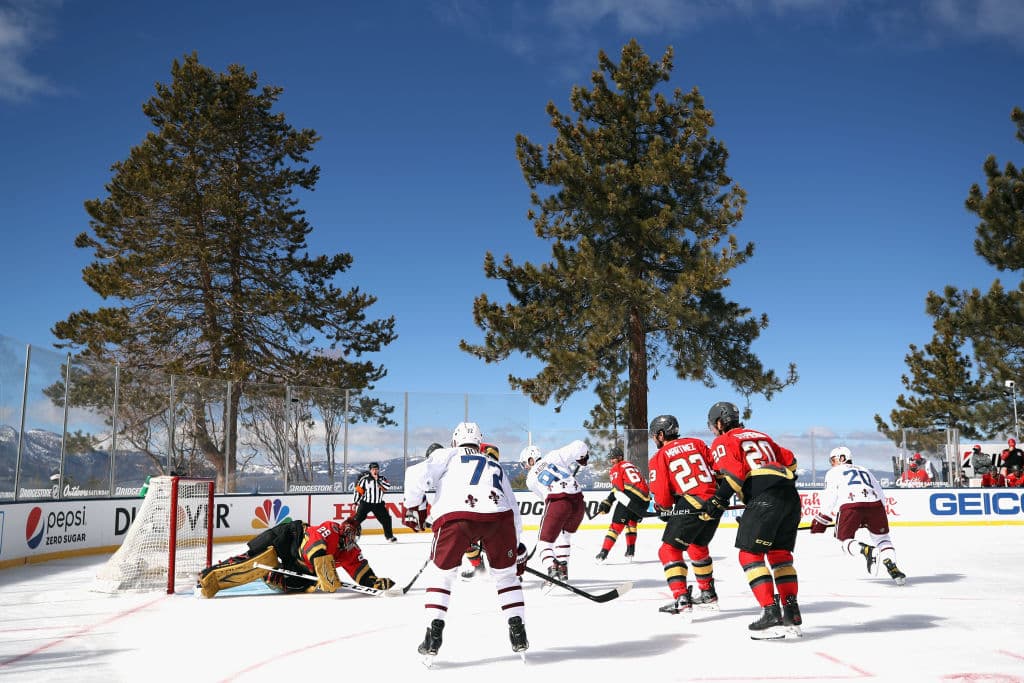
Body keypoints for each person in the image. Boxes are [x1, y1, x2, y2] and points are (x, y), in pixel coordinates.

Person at [402, 422, 528, 661]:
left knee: (441, 575)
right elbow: (513, 506)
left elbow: (413, 474)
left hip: (457, 517)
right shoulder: (493, 462)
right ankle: (518, 631)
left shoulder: (446, 454)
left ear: (454, 440)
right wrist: (517, 543)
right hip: (499, 518)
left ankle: (433, 634)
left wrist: (412, 507)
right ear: (479, 441)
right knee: (506, 577)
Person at [704, 401, 803, 639]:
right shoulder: (762, 435)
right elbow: (791, 462)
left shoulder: (723, 440)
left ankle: (770, 614)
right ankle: (791, 612)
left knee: (749, 555)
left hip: (763, 498)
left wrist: (716, 503)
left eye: (713, 426)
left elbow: (735, 474)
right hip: (789, 495)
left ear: (719, 422)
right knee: (780, 556)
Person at [195, 517, 394, 598]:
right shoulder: (332, 528)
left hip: (299, 565)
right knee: (252, 557)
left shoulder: (351, 552)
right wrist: (324, 567)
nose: (351, 538)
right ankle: (209, 574)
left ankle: (273, 577)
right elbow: (312, 546)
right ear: (343, 529)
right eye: (349, 532)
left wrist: (374, 582)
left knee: (306, 585)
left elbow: (360, 570)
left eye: (354, 535)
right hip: (290, 538)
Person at [646, 415, 723, 619]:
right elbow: (719, 468)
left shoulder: (660, 456)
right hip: (714, 503)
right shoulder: (697, 443)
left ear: (661, 435)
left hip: (691, 503)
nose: (654, 440)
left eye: (654, 436)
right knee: (697, 546)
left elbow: (662, 494)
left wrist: (662, 507)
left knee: (668, 550)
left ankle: (681, 598)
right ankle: (707, 594)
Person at [811, 447, 907, 585]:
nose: (832, 463)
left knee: (844, 540)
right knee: (882, 539)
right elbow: (879, 492)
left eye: (833, 460)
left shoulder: (833, 472)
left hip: (851, 506)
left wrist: (821, 520)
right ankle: (893, 567)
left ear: (842, 458)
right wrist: (875, 512)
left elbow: (829, 497)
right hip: (875, 505)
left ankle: (865, 550)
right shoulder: (864, 469)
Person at [522, 438, 590, 588]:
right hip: (578, 500)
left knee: (543, 543)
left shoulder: (530, 480)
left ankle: (552, 568)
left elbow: (546, 498)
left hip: (557, 501)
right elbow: (579, 445)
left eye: (526, 463)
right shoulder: (554, 456)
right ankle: (563, 569)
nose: (526, 467)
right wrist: (583, 458)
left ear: (531, 459)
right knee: (565, 536)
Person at [595, 444, 650, 564]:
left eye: (613, 458)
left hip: (631, 498)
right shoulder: (632, 466)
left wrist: (608, 502)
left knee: (615, 526)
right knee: (631, 523)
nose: (611, 460)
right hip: (645, 499)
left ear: (619, 457)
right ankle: (630, 551)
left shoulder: (617, 467)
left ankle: (603, 553)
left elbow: (617, 490)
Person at [461, 442, 502, 580]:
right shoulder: (458, 456)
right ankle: (479, 568)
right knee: (466, 540)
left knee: (494, 542)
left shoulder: (483, 450)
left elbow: (494, 450)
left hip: (490, 506)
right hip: (474, 505)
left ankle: (507, 569)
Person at [353, 461, 396, 542]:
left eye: (376, 469)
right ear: (370, 470)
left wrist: (377, 480)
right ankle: (355, 536)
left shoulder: (382, 478)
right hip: (366, 503)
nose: (375, 471)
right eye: (373, 469)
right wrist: (355, 502)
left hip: (378, 504)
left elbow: (387, 487)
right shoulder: (364, 479)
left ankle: (389, 537)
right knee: (356, 519)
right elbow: (359, 491)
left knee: (386, 519)